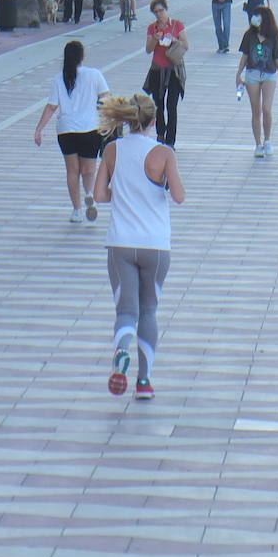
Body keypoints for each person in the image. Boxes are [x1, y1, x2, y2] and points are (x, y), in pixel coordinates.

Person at [93, 93, 185, 399]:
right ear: (153, 121)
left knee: (126, 311)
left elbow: (99, 195)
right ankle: (144, 381)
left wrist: (123, 191)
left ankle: (121, 351)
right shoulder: (164, 153)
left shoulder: (112, 150)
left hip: (120, 243)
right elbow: (179, 196)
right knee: (149, 311)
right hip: (155, 245)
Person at [34, 40, 111, 224]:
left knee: (72, 171)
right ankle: (90, 194)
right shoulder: (94, 74)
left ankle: (76, 211)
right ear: (82, 56)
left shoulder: (59, 78)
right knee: (89, 169)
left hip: (66, 130)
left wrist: (39, 129)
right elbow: (106, 98)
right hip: (90, 128)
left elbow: (52, 106)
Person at [234, 4, 278, 158]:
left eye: (258, 16)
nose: (255, 18)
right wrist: (238, 74)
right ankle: (258, 144)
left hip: (269, 74)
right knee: (255, 110)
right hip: (252, 74)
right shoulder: (249, 35)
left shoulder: (275, 37)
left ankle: (267, 140)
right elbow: (245, 55)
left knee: (266, 108)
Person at [142, 0, 187, 147]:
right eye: (156, 12)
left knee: (171, 106)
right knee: (158, 105)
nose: (159, 14)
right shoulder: (152, 28)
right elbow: (148, 50)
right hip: (157, 69)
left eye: (161, 11)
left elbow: (186, 45)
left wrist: (174, 40)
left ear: (166, 10)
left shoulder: (177, 25)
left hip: (174, 70)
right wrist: (155, 38)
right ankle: (160, 134)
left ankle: (171, 140)